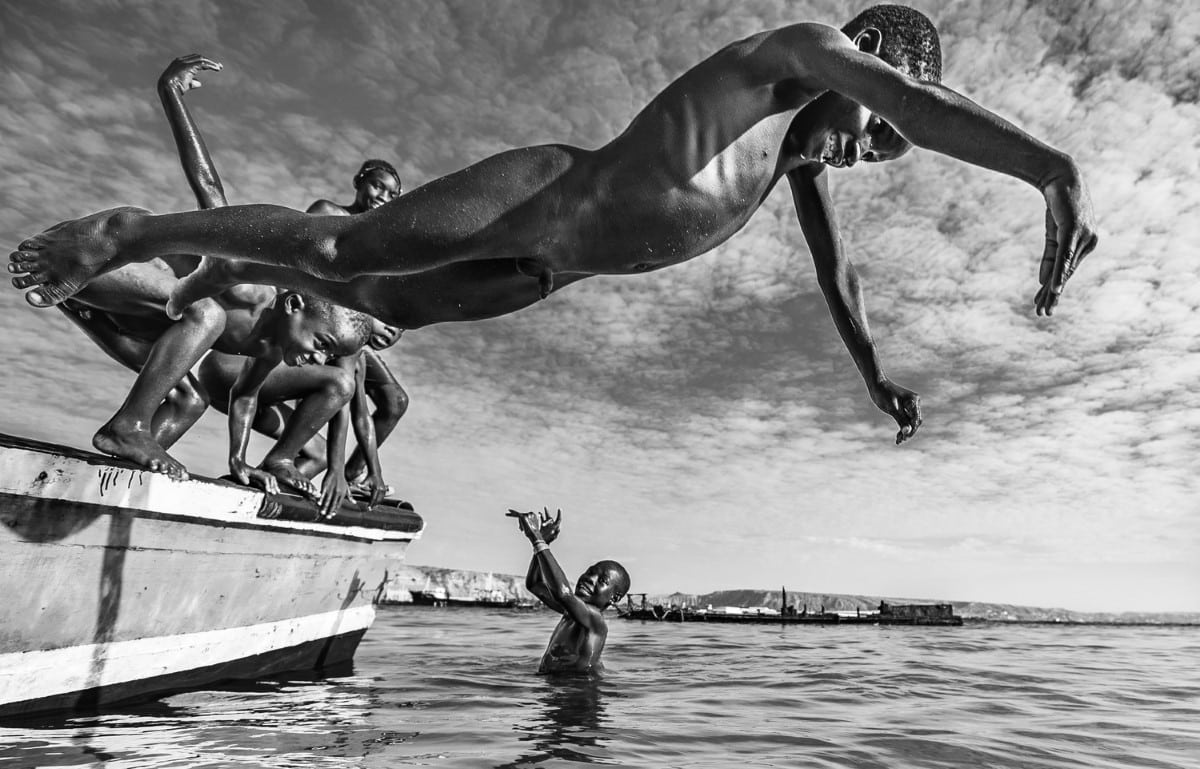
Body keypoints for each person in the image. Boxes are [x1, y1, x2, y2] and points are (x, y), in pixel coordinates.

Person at [10, 6, 1100, 444]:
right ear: (873, 64)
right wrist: (1047, 169)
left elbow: (839, 278)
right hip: (544, 193)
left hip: (540, 273)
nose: (873, 153)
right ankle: (131, 233)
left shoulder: (796, 162)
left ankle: (171, 320)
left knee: (360, 306)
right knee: (337, 249)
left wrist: (871, 376)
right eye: (880, 135)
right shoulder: (798, 56)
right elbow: (914, 105)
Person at [33, 55, 376, 506]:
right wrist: (171, 93)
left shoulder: (269, 347)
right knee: (208, 314)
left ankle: (114, 473)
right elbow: (209, 188)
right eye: (324, 343)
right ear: (294, 305)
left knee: (190, 399)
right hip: (96, 261)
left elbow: (244, 399)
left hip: (126, 311)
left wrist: (240, 462)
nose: (317, 356)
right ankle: (127, 426)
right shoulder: (251, 287)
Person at [508, 507, 630, 676]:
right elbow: (535, 584)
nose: (589, 578)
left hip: (578, 693)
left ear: (614, 598)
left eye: (601, 580)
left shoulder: (595, 620)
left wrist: (536, 538)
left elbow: (563, 593)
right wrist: (543, 541)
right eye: (589, 572)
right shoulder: (570, 612)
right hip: (557, 688)